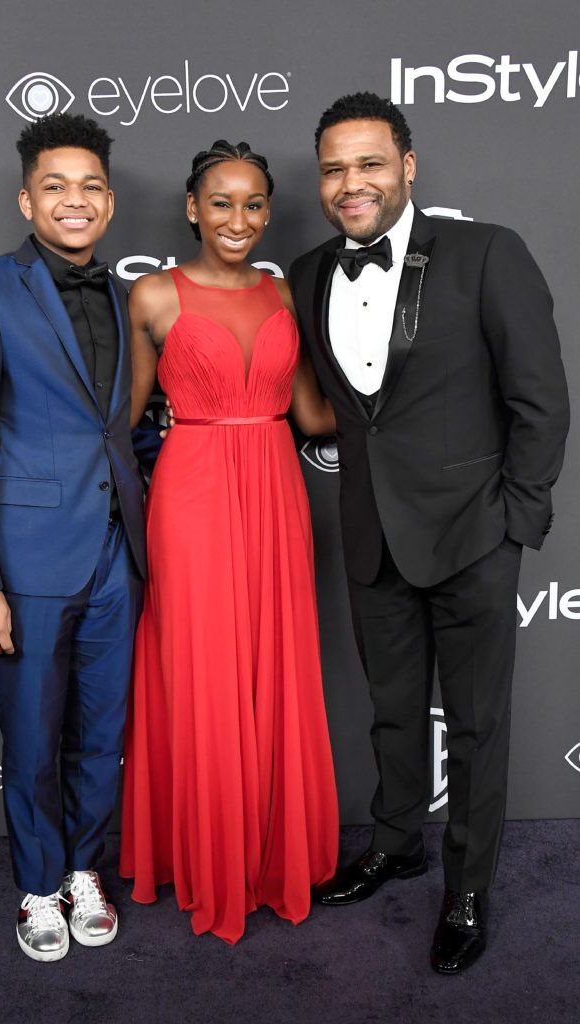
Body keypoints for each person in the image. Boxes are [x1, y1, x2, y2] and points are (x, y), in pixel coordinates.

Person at [288, 92, 570, 973]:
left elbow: (541, 401)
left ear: (408, 167)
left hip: (475, 535)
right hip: (371, 533)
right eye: (334, 168)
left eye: (370, 163)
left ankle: (469, 886)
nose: (351, 183)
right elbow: (334, 412)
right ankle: (396, 841)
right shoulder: (304, 274)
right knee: (392, 711)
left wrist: (515, 523)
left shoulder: (488, 252)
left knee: (479, 723)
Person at [0, 113, 160, 962]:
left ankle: (83, 873)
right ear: (27, 198)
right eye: (56, 186)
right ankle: (35, 887)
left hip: (114, 557)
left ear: (109, 202)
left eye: (91, 186)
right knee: (32, 739)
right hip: (24, 565)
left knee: (103, 734)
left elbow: (124, 431)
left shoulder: (125, 293)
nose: (76, 200)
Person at [119, 140, 339, 944]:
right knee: (205, 668)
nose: (237, 219)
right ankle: (210, 857)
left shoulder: (286, 293)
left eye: (252, 205)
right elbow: (128, 420)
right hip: (192, 494)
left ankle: (271, 852)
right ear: (192, 207)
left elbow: (314, 415)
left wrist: (421, 409)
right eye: (221, 203)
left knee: (273, 664)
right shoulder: (153, 296)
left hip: (277, 491)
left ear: (267, 211)